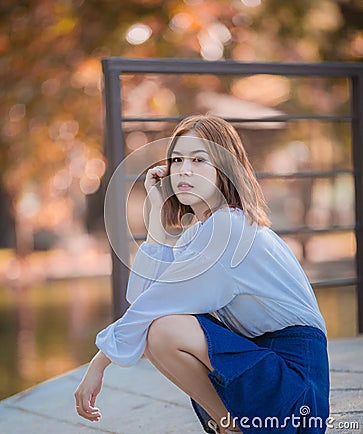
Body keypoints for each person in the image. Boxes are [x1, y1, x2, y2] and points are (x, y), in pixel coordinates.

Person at [75, 115, 329, 433]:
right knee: (159, 327)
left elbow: (152, 307)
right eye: (177, 160)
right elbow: (145, 298)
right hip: (266, 370)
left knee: (164, 328)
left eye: (198, 160)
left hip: (296, 387)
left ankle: (231, 426)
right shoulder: (202, 232)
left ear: (225, 169)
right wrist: (156, 211)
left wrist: (98, 365)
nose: (184, 169)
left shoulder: (229, 228)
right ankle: (231, 425)